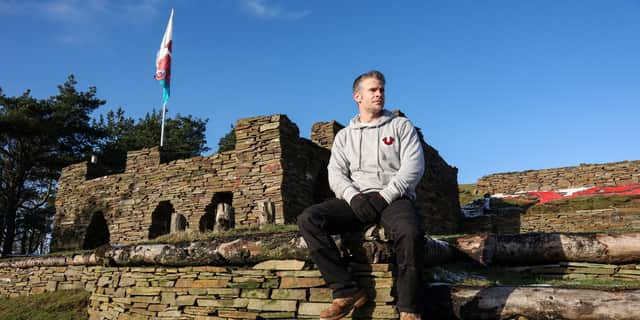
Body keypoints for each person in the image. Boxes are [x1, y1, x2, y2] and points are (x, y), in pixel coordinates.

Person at [297, 70, 426, 320]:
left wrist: (384, 197)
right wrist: (353, 197)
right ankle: (346, 291)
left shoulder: (401, 126)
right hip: (356, 200)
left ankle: (409, 309)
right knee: (309, 219)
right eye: (373, 90)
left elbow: (413, 167)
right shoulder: (344, 136)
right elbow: (335, 173)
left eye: (382, 90)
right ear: (358, 96)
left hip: (394, 198)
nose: (379, 94)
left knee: (410, 233)